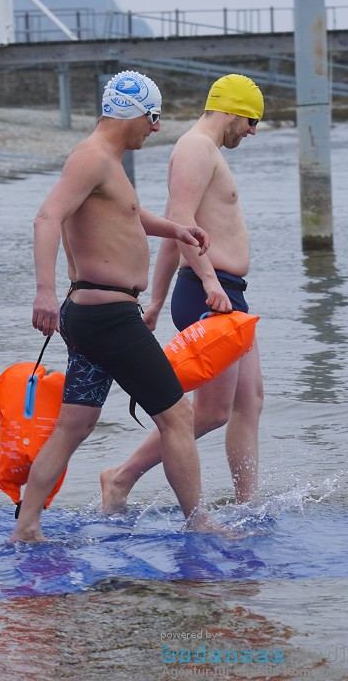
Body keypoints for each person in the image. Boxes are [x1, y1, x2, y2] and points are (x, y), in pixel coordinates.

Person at [10, 70, 222, 543]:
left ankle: (26, 526)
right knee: (177, 417)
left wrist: (177, 230)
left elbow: (126, 217)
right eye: (153, 118)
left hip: (92, 316)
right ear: (136, 114)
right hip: (109, 318)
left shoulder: (108, 161)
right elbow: (47, 217)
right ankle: (200, 521)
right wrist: (43, 291)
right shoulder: (91, 158)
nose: (156, 128)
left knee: (75, 424)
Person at [101, 75, 265, 513]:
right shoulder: (195, 148)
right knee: (211, 413)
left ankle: (249, 506)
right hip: (211, 296)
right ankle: (119, 478)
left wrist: (155, 300)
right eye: (251, 121)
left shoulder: (205, 151)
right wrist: (210, 283)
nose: (252, 131)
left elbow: (176, 235)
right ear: (229, 109)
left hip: (226, 293)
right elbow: (178, 217)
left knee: (250, 401)